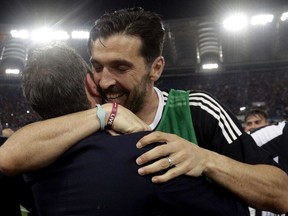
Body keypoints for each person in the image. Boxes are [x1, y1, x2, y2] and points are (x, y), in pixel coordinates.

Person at [0, 7, 288, 214]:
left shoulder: (196, 109)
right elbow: (9, 155)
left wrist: (205, 159)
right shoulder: (90, 116)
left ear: (156, 68)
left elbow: (281, 193)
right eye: (97, 66)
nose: (105, 80)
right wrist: (99, 115)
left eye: (121, 67)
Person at [21, 43, 248, 215]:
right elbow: (233, 211)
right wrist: (205, 161)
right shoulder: (144, 152)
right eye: (98, 69)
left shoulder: (28, 164)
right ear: (91, 84)